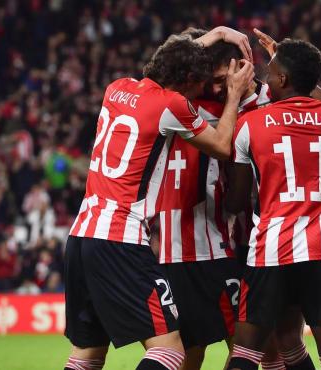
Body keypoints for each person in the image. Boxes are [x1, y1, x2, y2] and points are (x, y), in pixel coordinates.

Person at [62, 28, 254, 370]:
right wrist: (236, 94)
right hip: (119, 238)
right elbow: (224, 145)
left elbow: (167, 59)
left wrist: (217, 35)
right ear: (188, 79)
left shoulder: (116, 89)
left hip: (80, 237)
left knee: (87, 355)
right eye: (200, 82)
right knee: (168, 351)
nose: (203, 91)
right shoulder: (172, 104)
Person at [225, 39, 321, 370]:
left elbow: (238, 202)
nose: (266, 80)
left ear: (283, 80)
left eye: (271, 73)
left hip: (271, 251)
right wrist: (293, 67)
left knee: (244, 355)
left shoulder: (250, 124)